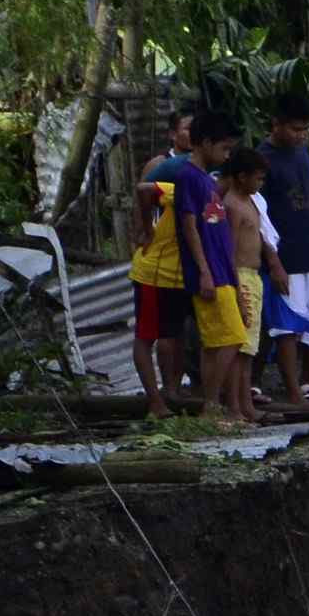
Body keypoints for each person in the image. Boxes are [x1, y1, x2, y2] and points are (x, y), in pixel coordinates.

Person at [127, 111, 229, 417]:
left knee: (175, 334)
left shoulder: (203, 184)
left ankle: (172, 392)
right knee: (148, 335)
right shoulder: (184, 180)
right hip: (155, 270)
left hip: (180, 273)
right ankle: (156, 400)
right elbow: (144, 190)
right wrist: (146, 229)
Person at [257, 95, 309, 409]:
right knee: (287, 326)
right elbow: (257, 214)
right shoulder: (261, 159)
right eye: (295, 129)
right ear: (276, 125)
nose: (301, 135)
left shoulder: (304, 154)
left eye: (305, 129)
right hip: (283, 255)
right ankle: (293, 392)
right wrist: (272, 261)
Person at [211, 145, 287, 423]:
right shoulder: (231, 204)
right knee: (239, 346)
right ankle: (234, 406)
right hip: (240, 275)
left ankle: (244, 405)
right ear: (242, 177)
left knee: (248, 349)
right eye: (258, 178)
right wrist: (234, 286)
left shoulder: (251, 201)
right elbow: (227, 248)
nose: (261, 184)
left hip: (253, 277)